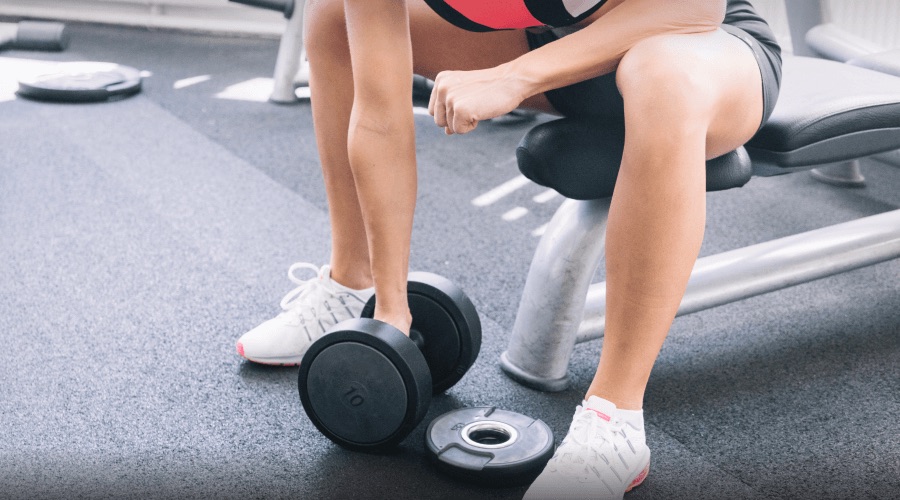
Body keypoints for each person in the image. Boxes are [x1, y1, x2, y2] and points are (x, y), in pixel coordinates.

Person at [236, 0, 781, 497]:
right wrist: (391, 311)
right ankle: (349, 282)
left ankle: (614, 418)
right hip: (565, 50)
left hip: (698, 47)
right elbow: (379, 115)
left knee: (662, 74)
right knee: (333, 18)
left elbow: (693, 12)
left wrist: (514, 78)